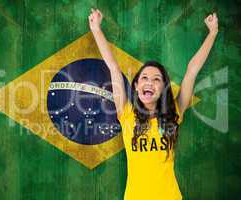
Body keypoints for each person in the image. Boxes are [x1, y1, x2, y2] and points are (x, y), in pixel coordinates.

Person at [88, 8, 218, 200]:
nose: (149, 82)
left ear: (163, 88)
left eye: (157, 79)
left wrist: (213, 32)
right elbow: (114, 68)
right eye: (145, 77)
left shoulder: (174, 113)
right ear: (137, 85)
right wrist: (96, 29)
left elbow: (192, 70)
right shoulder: (125, 113)